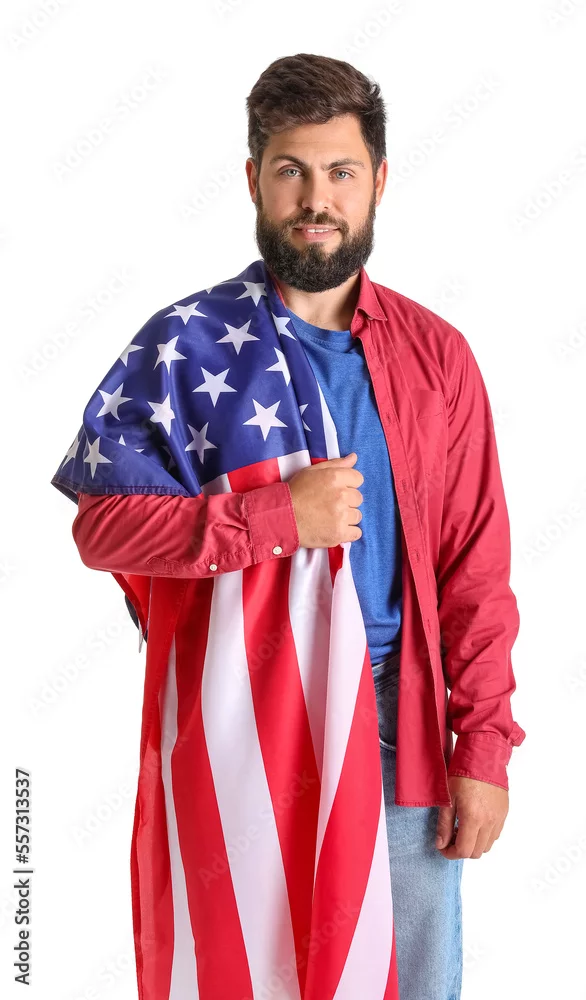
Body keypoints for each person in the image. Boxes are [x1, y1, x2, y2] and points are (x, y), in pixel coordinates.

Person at [51, 53, 525, 1000]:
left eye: (340, 172)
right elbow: (102, 531)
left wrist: (483, 749)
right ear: (253, 179)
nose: (317, 199)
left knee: (412, 981)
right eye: (291, 171)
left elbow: (475, 569)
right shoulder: (185, 345)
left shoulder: (438, 357)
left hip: (398, 720)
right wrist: (275, 518)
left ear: (378, 180)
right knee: (245, 972)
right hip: (242, 709)